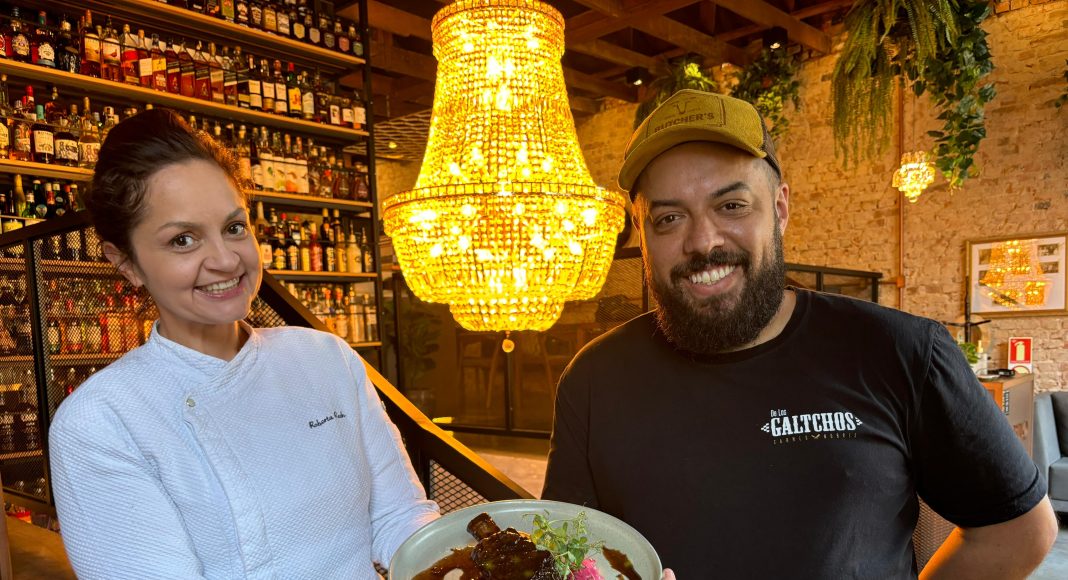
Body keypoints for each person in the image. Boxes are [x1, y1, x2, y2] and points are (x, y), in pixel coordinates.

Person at [541, 90, 1058, 578]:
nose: (702, 242)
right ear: (643, 231)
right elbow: (566, 552)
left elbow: (1017, 530)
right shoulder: (594, 379)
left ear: (781, 208)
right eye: (670, 218)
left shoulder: (899, 351)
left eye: (732, 206)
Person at [49, 109, 439, 579]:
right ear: (127, 263)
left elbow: (400, 520)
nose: (224, 259)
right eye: (184, 240)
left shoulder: (324, 358)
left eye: (234, 227)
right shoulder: (102, 420)